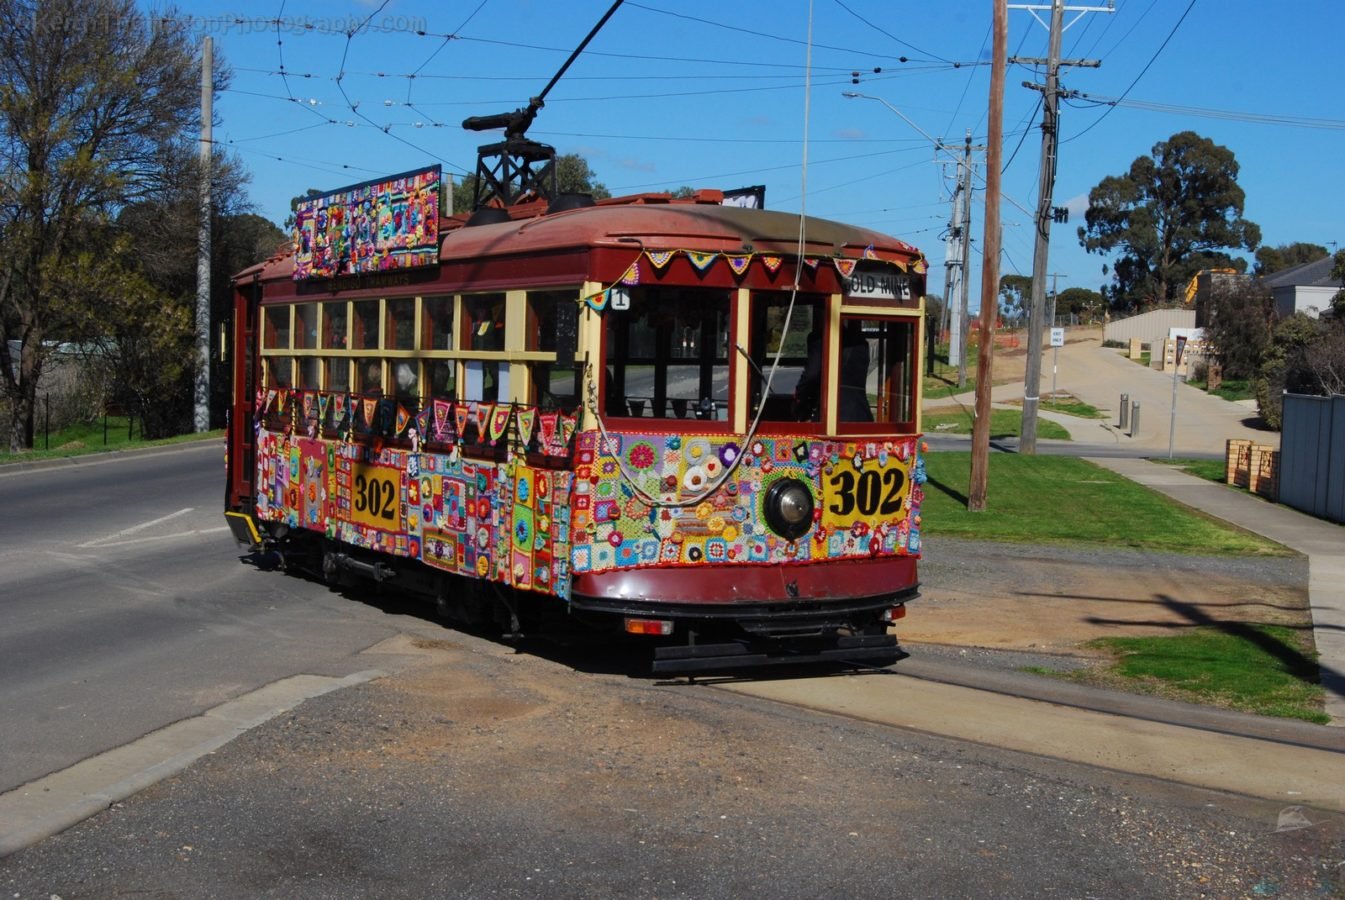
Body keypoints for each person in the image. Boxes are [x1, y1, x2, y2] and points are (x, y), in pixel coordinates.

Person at [838, 320, 873, 422]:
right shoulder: (862, 345)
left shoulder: (825, 340)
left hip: (841, 416)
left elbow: (813, 373)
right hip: (861, 414)